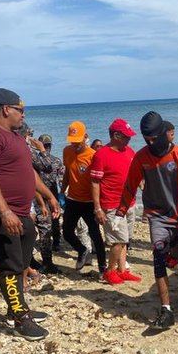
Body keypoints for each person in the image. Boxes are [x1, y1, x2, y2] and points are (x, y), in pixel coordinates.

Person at [0, 88, 60, 341]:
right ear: (6, 109)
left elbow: (27, 172)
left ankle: (18, 307)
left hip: (18, 211)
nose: (24, 114)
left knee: (22, 260)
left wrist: (48, 195)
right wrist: (4, 212)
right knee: (9, 265)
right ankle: (20, 318)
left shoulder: (15, 135)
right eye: (20, 109)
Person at [117, 111, 178, 329]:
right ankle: (166, 309)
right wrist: (121, 211)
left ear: (163, 133)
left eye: (154, 138)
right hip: (156, 217)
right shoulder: (141, 157)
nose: (151, 142)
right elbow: (131, 185)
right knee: (159, 258)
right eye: (146, 139)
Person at [91, 118, 141, 285]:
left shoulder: (129, 151)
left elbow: (135, 173)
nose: (129, 139)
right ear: (116, 135)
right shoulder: (101, 155)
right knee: (117, 240)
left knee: (125, 239)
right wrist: (97, 208)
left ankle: (122, 270)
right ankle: (110, 271)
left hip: (129, 203)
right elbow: (95, 182)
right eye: (126, 136)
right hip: (111, 204)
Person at [61, 121, 107, 274]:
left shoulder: (94, 155)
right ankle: (82, 250)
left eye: (78, 141)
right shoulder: (66, 151)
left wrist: (99, 206)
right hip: (73, 200)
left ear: (86, 137)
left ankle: (102, 268)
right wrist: (62, 191)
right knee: (67, 232)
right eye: (72, 141)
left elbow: (99, 181)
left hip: (89, 202)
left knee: (95, 235)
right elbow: (67, 172)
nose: (74, 145)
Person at [21, 127, 60, 274]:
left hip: (34, 196)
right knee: (42, 229)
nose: (32, 138)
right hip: (34, 197)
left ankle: (32, 262)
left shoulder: (21, 148)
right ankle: (41, 263)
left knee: (32, 230)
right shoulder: (26, 150)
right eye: (30, 135)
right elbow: (47, 166)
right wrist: (41, 149)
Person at [37, 134, 64, 251]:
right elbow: (62, 179)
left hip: (38, 194)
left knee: (43, 220)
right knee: (55, 218)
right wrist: (63, 195)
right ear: (50, 146)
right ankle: (56, 243)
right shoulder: (57, 160)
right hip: (53, 193)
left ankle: (46, 243)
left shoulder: (35, 159)